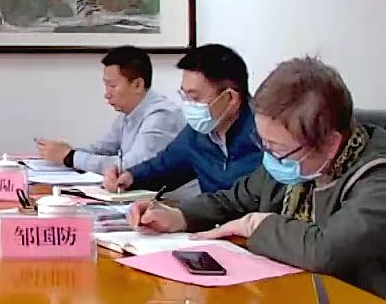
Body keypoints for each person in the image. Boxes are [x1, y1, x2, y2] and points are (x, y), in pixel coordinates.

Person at [127, 57, 386, 298]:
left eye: (277, 149)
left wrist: (256, 225)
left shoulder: (377, 177)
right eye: (263, 144)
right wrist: (179, 216)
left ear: (329, 144)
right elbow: (233, 199)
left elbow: (327, 251)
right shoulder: (297, 161)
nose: (269, 157)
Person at [103, 44, 261, 194]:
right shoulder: (197, 133)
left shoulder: (264, 136)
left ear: (231, 98)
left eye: (195, 98)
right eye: (185, 96)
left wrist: (187, 211)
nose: (189, 105)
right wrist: (129, 177)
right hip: (209, 212)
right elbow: (163, 166)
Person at [36, 46, 184, 175]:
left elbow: (133, 166)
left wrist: (71, 157)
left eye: (112, 86)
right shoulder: (129, 113)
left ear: (138, 85)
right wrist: (65, 151)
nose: (106, 94)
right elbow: (102, 148)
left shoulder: (162, 116)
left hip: (169, 197)